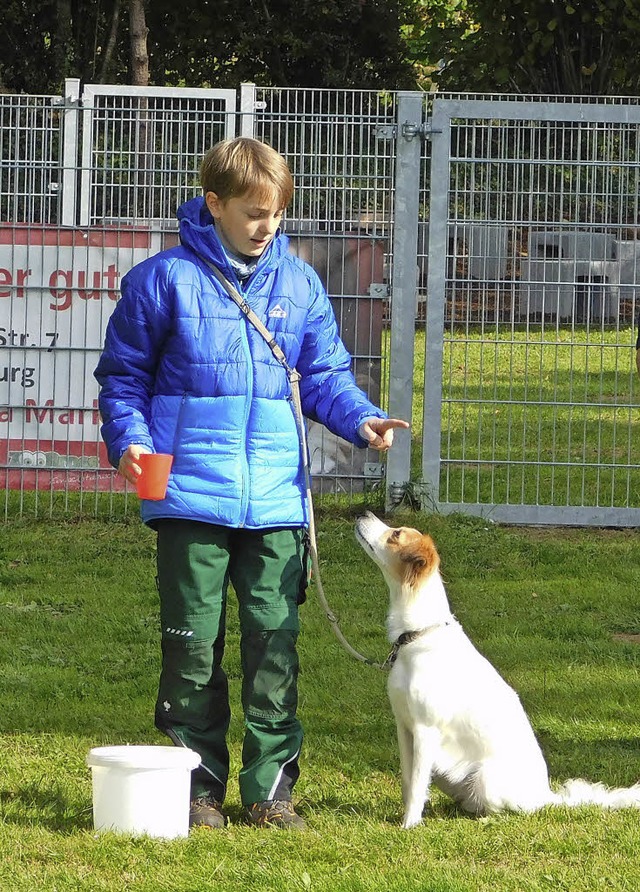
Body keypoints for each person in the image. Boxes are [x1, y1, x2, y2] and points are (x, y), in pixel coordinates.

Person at [94, 137, 409, 831]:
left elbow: (325, 375)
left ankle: (270, 789)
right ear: (214, 203)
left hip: (275, 499)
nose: (268, 225)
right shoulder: (161, 280)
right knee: (192, 644)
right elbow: (123, 381)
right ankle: (195, 786)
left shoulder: (298, 284)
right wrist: (133, 446)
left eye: (276, 212)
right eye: (253, 212)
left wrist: (361, 420)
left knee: (275, 640)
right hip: (187, 497)